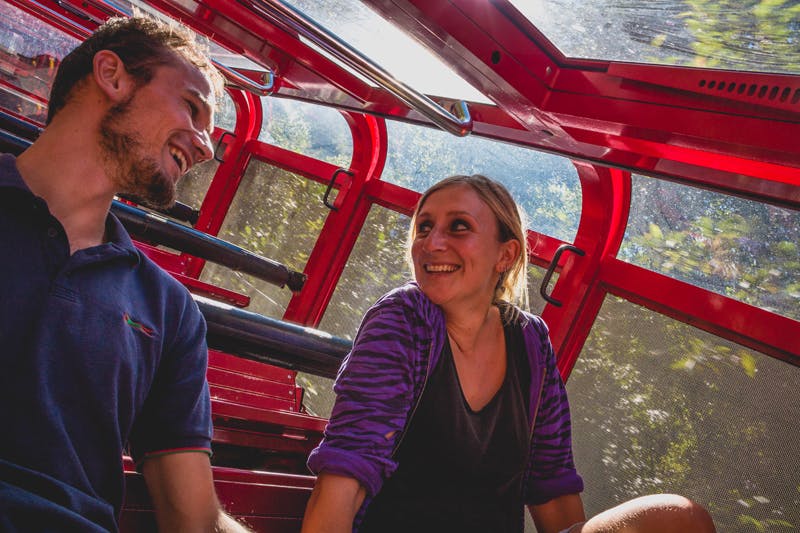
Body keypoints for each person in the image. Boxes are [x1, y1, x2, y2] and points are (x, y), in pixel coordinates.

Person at [301, 174, 717, 533]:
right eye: (424, 228)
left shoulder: (530, 342)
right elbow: (347, 473)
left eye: (458, 227)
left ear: (506, 254)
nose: (431, 243)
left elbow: (552, 488)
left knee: (679, 518)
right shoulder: (403, 319)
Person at [0, 15, 251, 532]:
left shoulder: (169, 310)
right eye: (192, 107)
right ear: (112, 75)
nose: (206, 147)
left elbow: (194, 519)